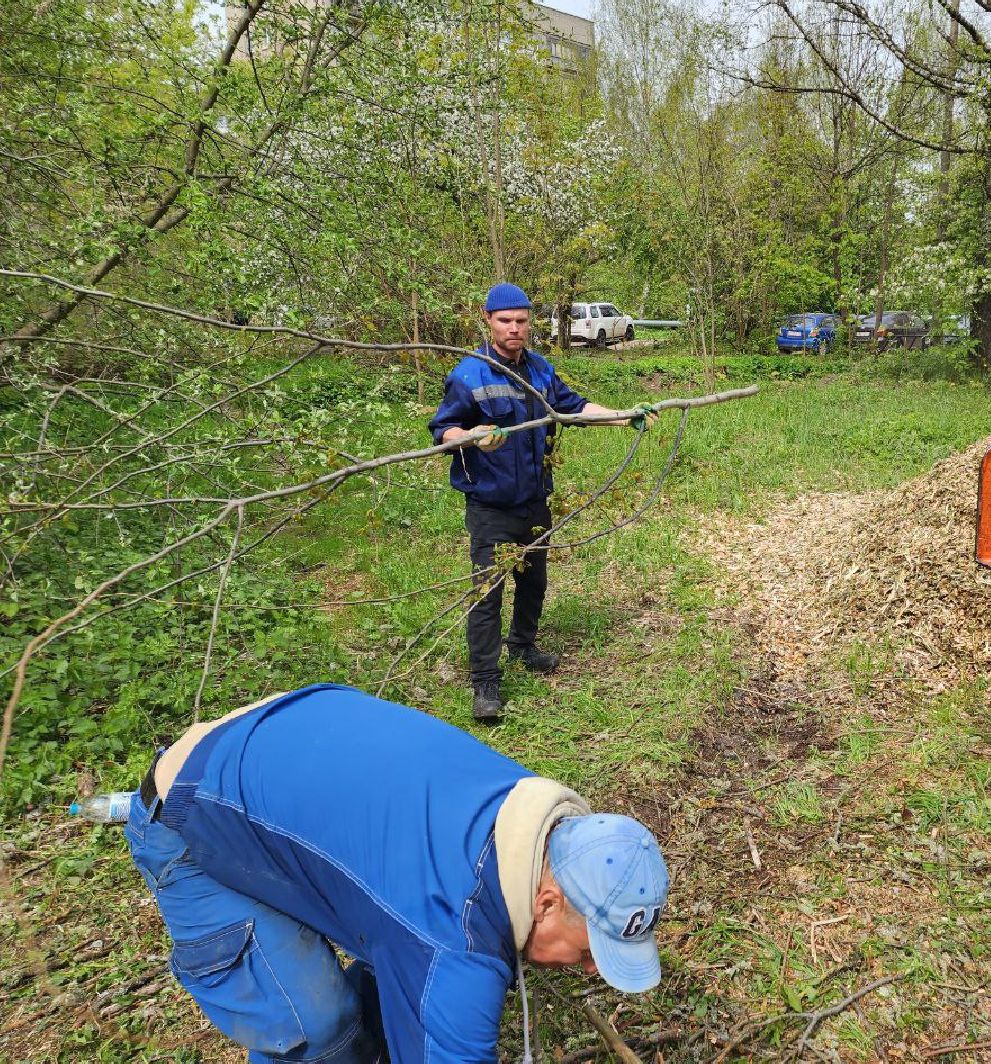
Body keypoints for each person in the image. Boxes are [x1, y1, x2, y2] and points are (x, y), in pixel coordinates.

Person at [124, 683, 671, 1064]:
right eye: (589, 951)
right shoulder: (453, 938)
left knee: (401, 962)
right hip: (188, 816)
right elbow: (446, 956)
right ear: (546, 902)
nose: (592, 969)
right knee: (319, 1029)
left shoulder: (527, 819)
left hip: (278, 743)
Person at [428, 283, 654, 721]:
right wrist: (472, 436)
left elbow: (575, 407)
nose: (514, 328)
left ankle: (523, 646)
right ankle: (486, 682)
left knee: (534, 582)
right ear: (488, 320)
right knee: (487, 594)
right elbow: (443, 430)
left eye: (521, 321)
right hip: (491, 506)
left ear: (530, 322)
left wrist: (625, 416)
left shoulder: (540, 371)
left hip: (535, 501)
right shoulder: (470, 374)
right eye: (505, 321)